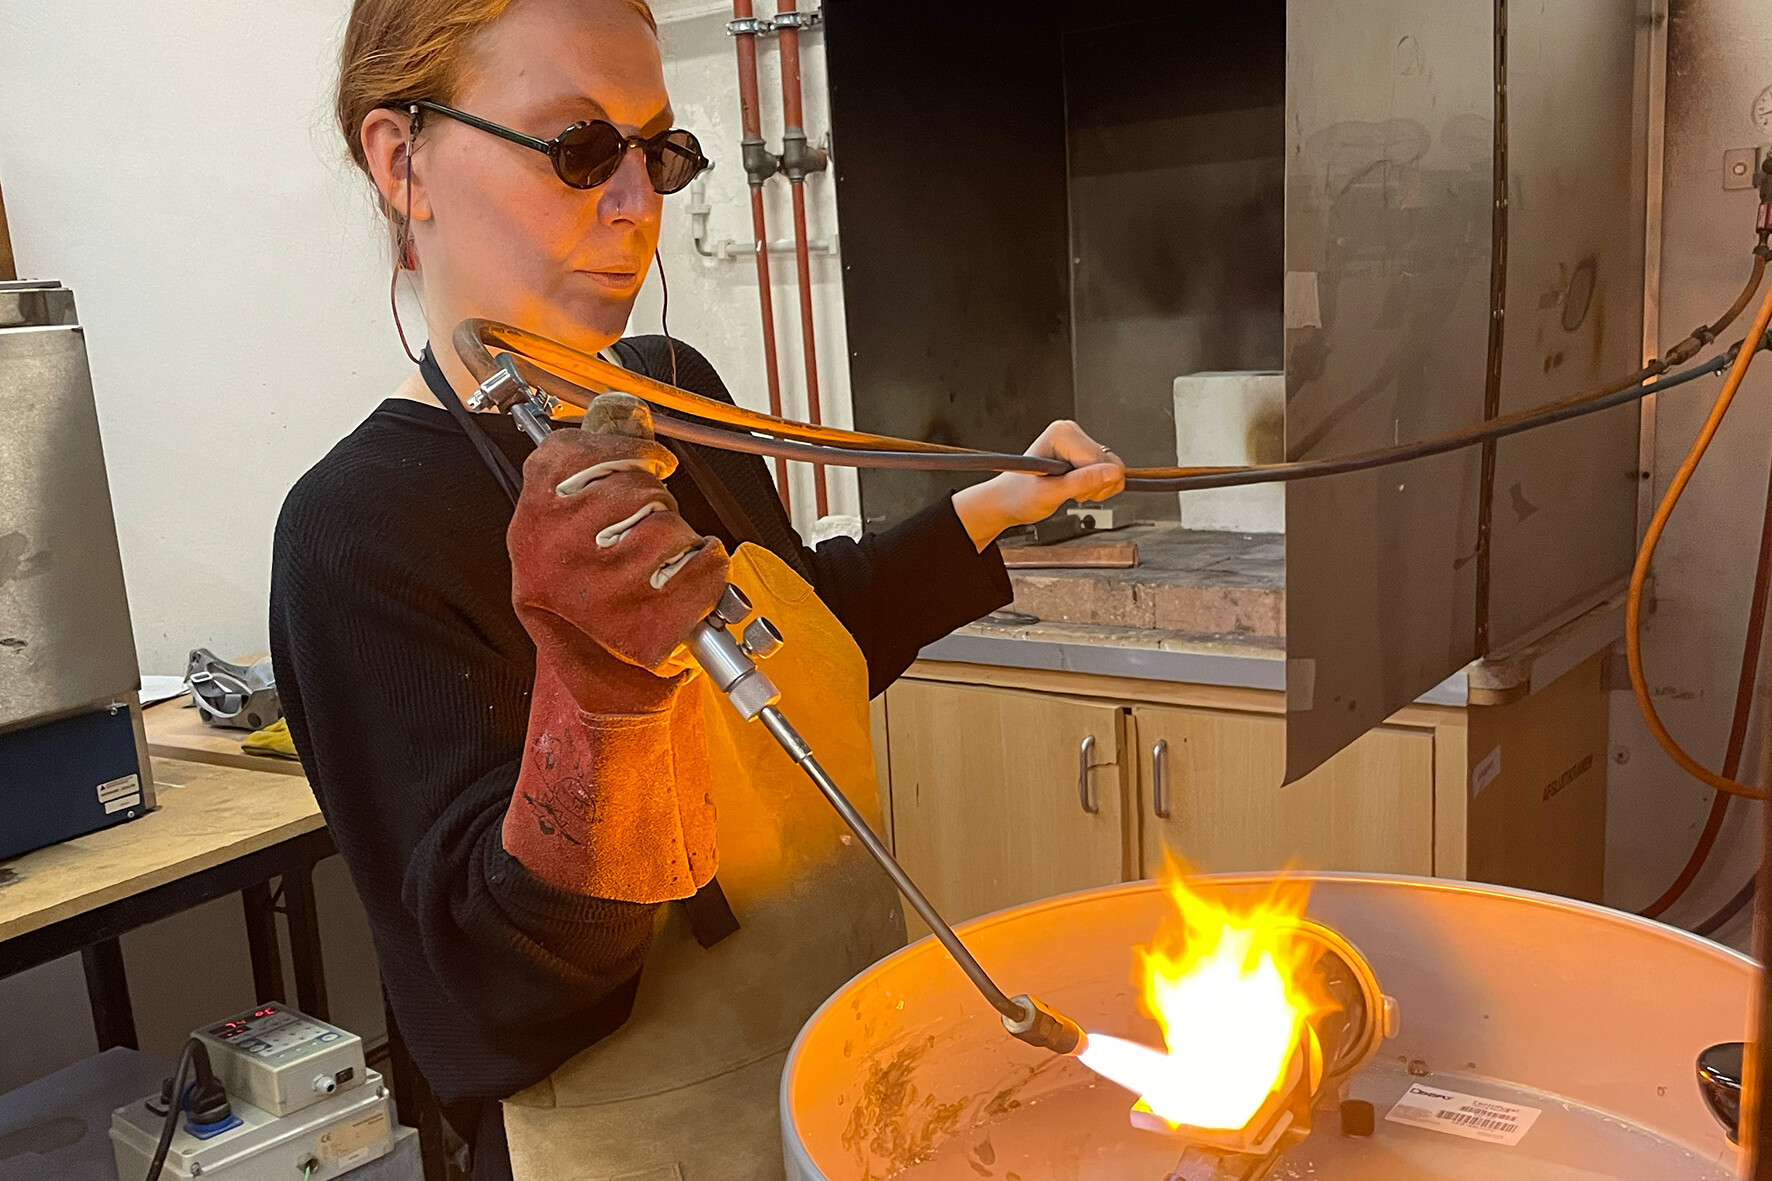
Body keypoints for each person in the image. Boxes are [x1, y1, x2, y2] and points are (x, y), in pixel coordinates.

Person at [269, 0, 1125, 1177]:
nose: (635, 208)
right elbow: (490, 983)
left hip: (846, 1072)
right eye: (577, 149)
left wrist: (989, 506)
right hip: (647, 1141)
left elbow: (794, 649)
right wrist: (604, 699)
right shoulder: (358, 529)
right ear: (400, 159)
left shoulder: (673, 396)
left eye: (654, 151)